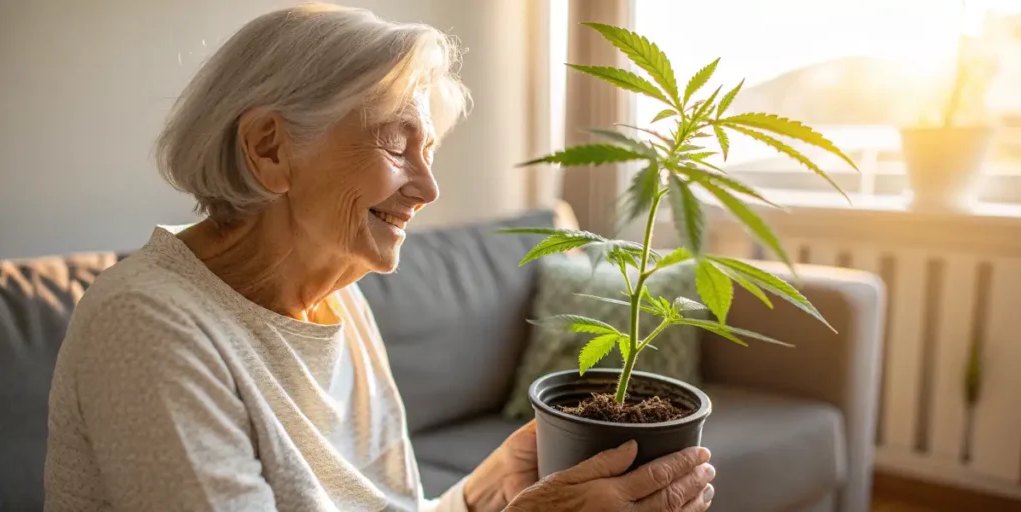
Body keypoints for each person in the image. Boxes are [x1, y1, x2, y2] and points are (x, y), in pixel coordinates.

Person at [43, 3, 716, 511]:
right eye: (398, 145)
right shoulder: (148, 326)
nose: (428, 189)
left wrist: (486, 495)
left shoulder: (343, 299)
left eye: (430, 152)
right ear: (270, 148)